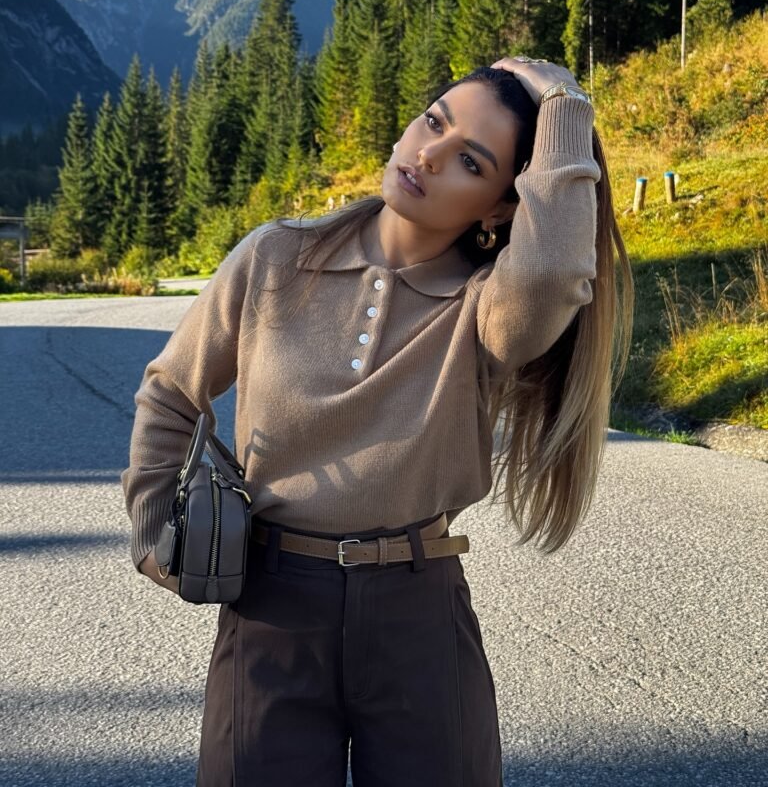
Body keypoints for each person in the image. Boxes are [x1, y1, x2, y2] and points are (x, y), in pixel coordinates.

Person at [122, 56, 634, 786]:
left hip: (419, 613)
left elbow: (555, 272)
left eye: (468, 160)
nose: (427, 154)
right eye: (433, 121)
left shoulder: (488, 314)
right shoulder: (276, 257)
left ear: (497, 207)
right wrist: (149, 530)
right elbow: (172, 391)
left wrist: (565, 101)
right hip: (270, 605)